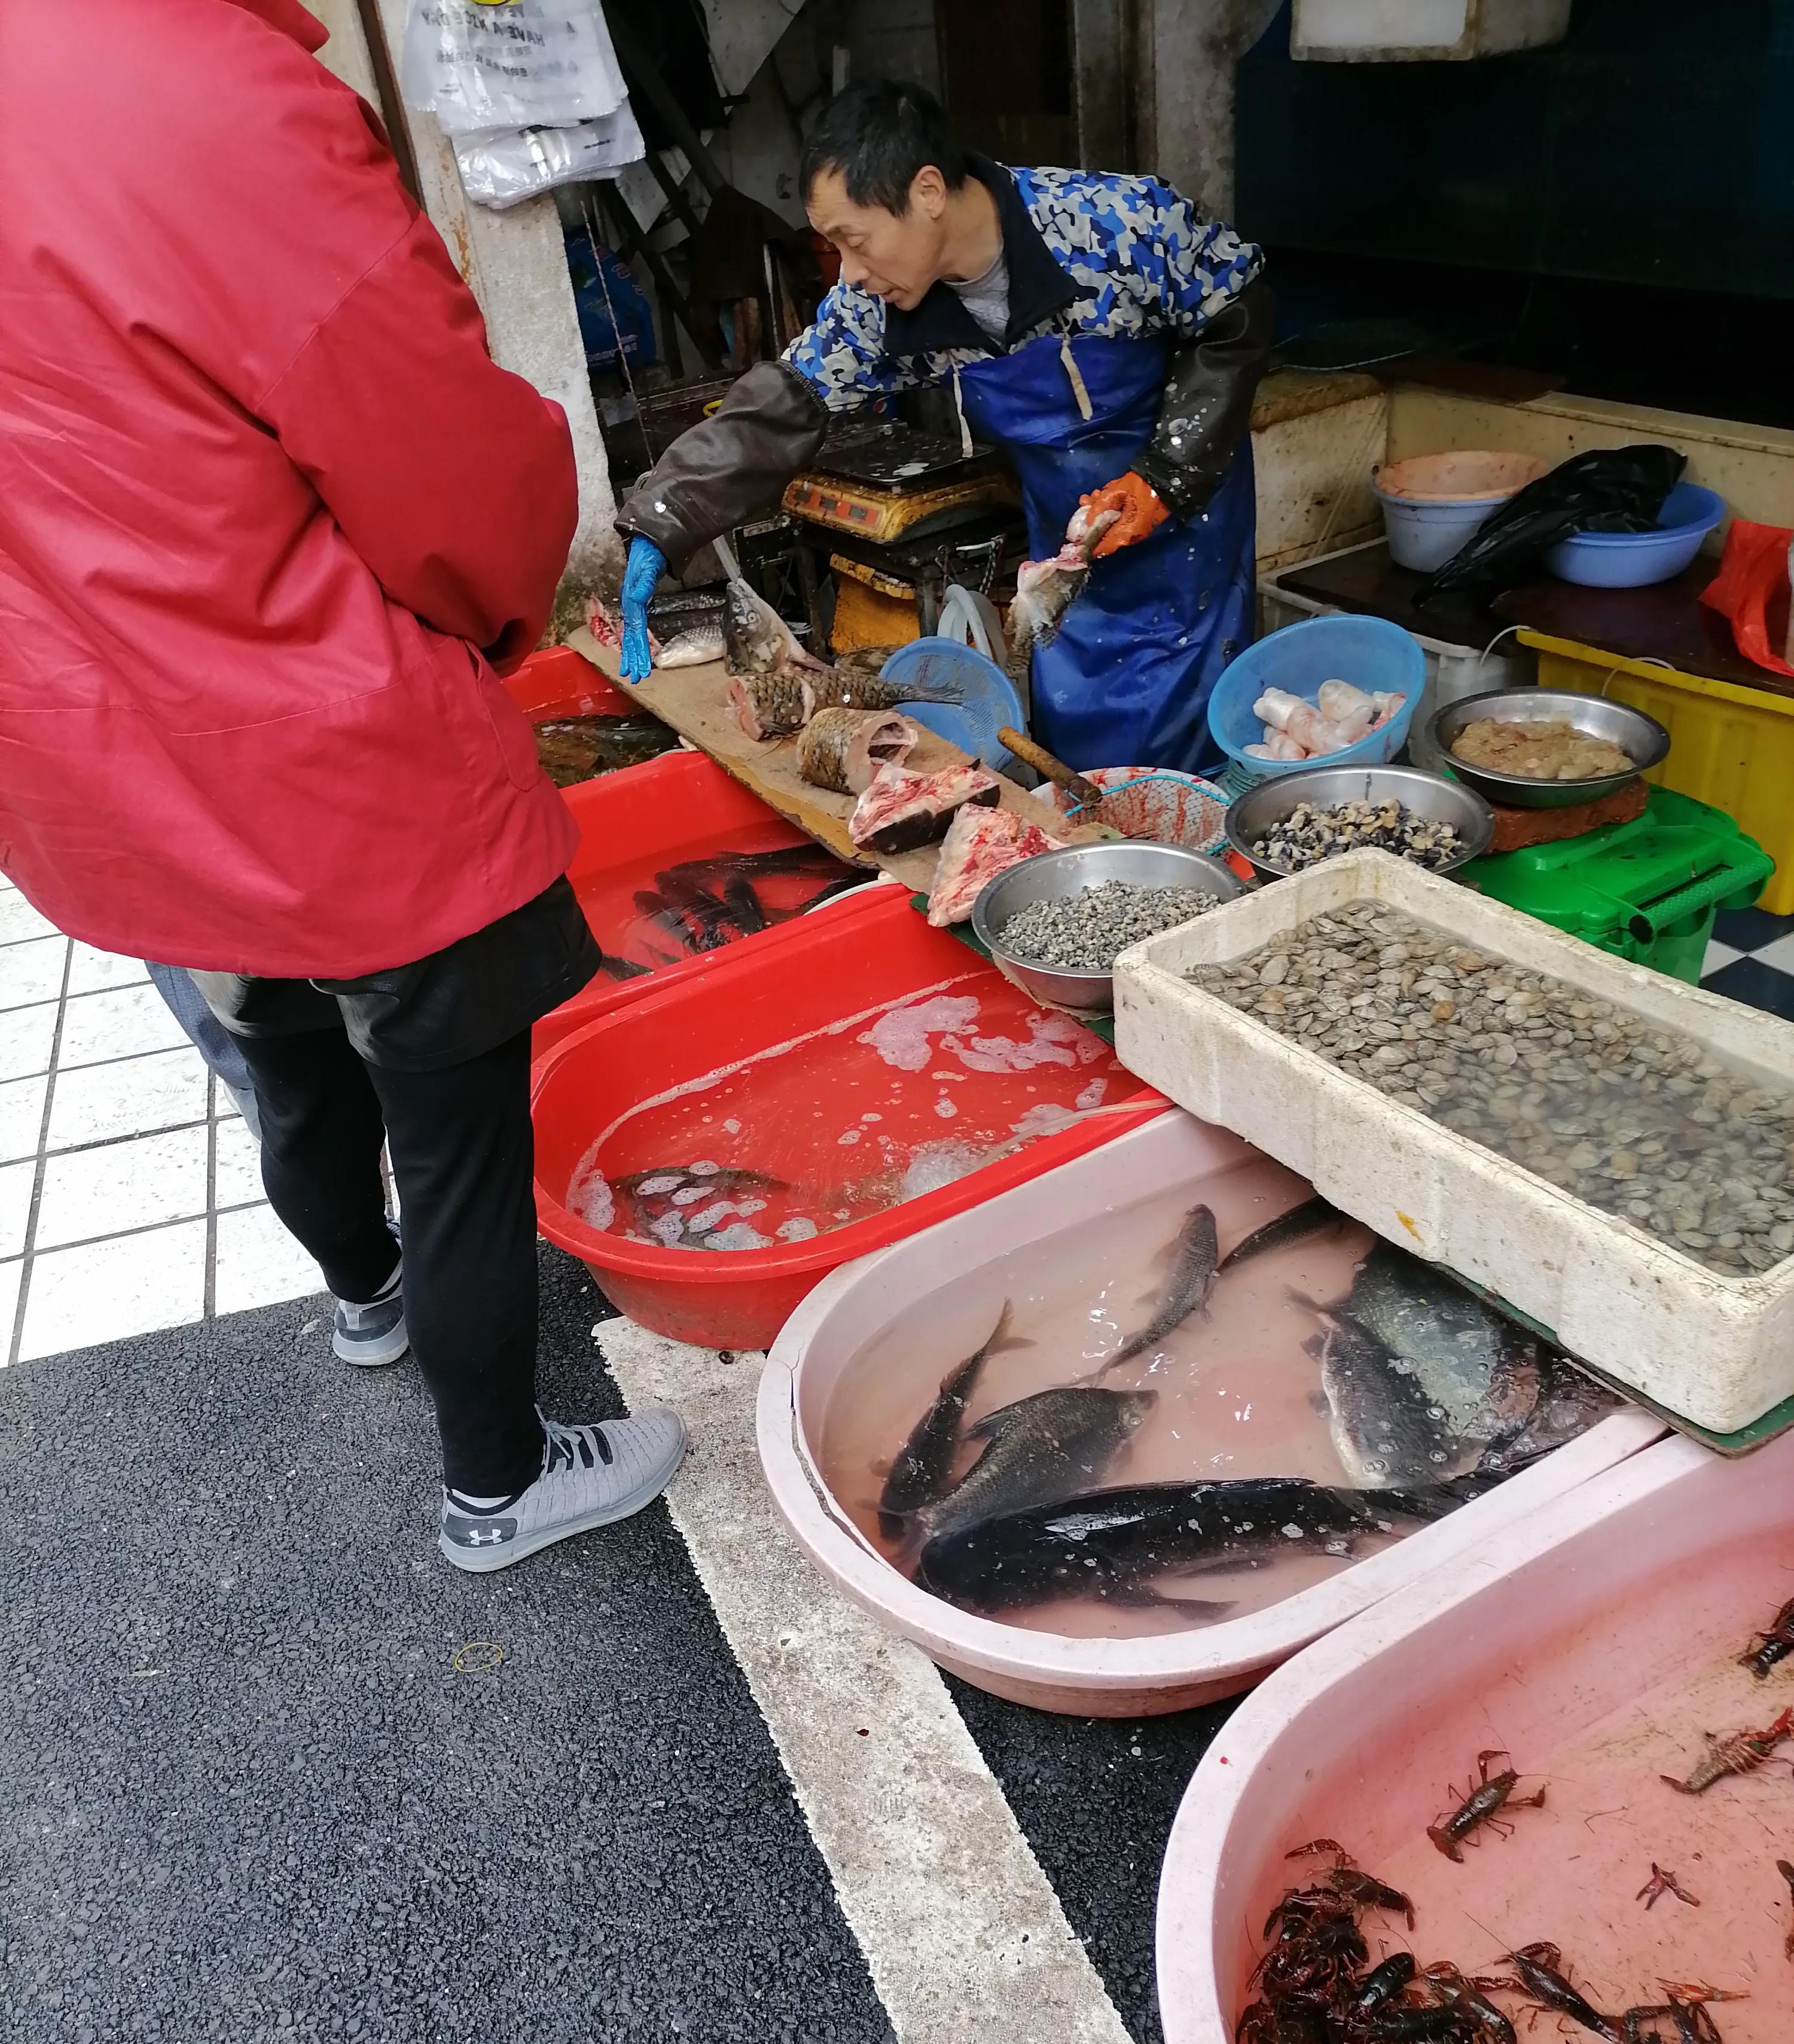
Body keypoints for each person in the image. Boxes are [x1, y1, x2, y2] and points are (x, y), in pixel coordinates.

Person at [0, 0, 684, 1572]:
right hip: (321, 748)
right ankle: (500, 1486)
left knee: (285, 1056)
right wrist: (507, 608)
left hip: (105, 762)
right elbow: (440, 456)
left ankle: (365, 1299)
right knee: (453, 1140)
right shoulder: (201, 88)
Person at [615, 80, 1273, 775]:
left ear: (928, 193)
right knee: (1078, 740)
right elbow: (787, 397)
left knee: (1195, 743)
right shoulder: (872, 310)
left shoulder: (1118, 224)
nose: (852, 273)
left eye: (856, 241)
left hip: (1185, 520)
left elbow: (1239, 310)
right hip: (1068, 537)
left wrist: (1166, 475)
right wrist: (664, 515)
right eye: (834, 246)